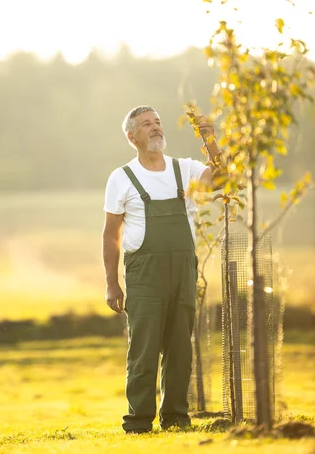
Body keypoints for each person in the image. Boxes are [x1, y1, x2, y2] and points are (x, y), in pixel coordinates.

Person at [102, 105, 224, 434]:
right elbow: (111, 234)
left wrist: (210, 139)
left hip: (182, 270)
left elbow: (224, 179)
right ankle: (138, 423)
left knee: (180, 350)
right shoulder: (122, 178)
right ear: (132, 137)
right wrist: (112, 284)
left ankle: (176, 420)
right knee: (143, 351)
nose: (155, 127)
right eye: (146, 124)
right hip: (144, 275)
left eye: (157, 122)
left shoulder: (184, 169)